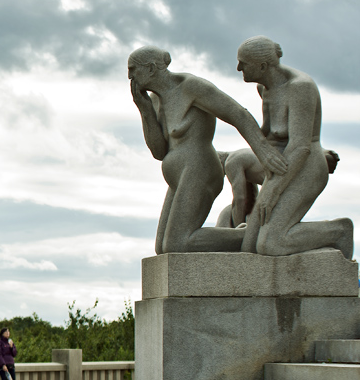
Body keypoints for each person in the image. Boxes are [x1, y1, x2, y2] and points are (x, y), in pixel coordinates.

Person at [128, 46, 288, 254]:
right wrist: (145, 109)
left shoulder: (190, 87)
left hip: (199, 169)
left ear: (150, 69)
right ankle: (239, 234)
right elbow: (159, 152)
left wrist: (264, 152)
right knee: (163, 248)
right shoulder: (156, 100)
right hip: (178, 175)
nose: (130, 76)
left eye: (133, 69)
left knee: (178, 244)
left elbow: (237, 113)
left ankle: (251, 234)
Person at [235, 36, 354, 259]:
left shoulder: (300, 88)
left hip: (306, 168)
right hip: (282, 168)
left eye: (243, 62)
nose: (238, 67)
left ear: (262, 66)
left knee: (271, 244)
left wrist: (272, 190)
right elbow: (269, 136)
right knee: (249, 247)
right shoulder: (265, 88)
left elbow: (300, 147)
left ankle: (338, 231)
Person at [216, 148, 340, 228]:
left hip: (289, 182)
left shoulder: (231, 163)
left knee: (277, 234)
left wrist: (237, 230)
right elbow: (251, 200)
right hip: (289, 180)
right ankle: (319, 154)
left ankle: (334, 229)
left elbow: (240, 198)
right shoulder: (241, 155)